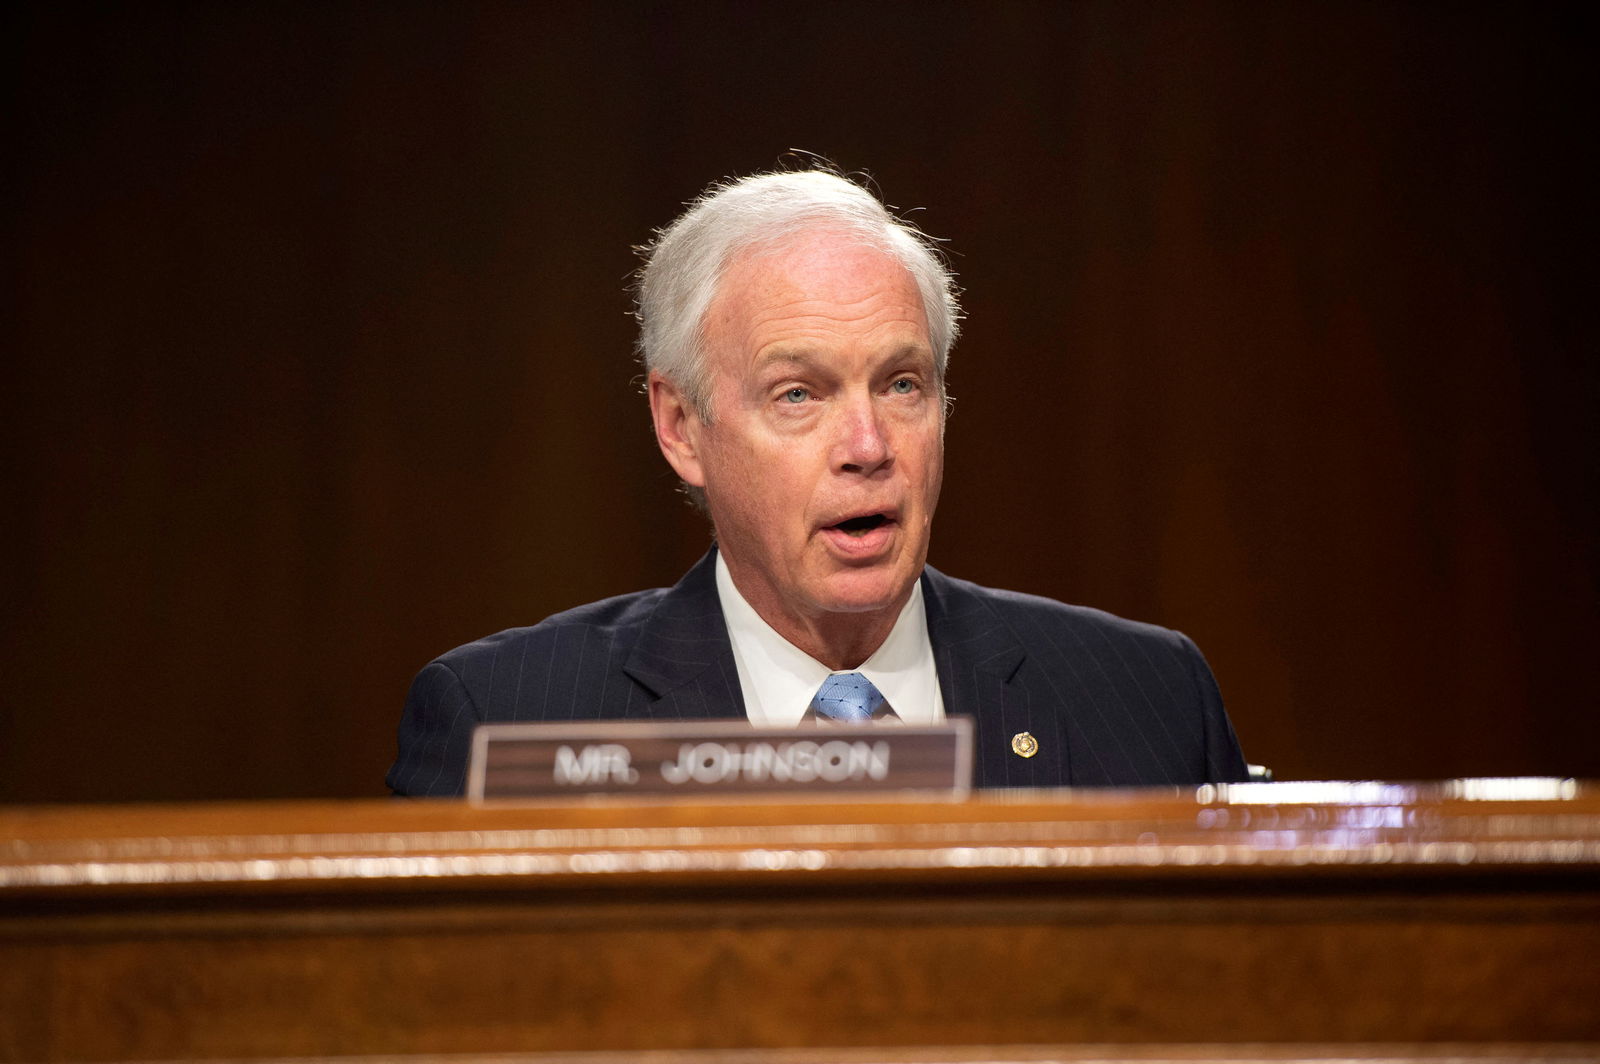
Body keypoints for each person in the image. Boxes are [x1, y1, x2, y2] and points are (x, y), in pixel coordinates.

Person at [387, 168, 1248, 795]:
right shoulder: (507, 722)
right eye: (798, 394)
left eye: (902, 383)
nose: (868, 445)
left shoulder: (1149, 696)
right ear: (680, 426)